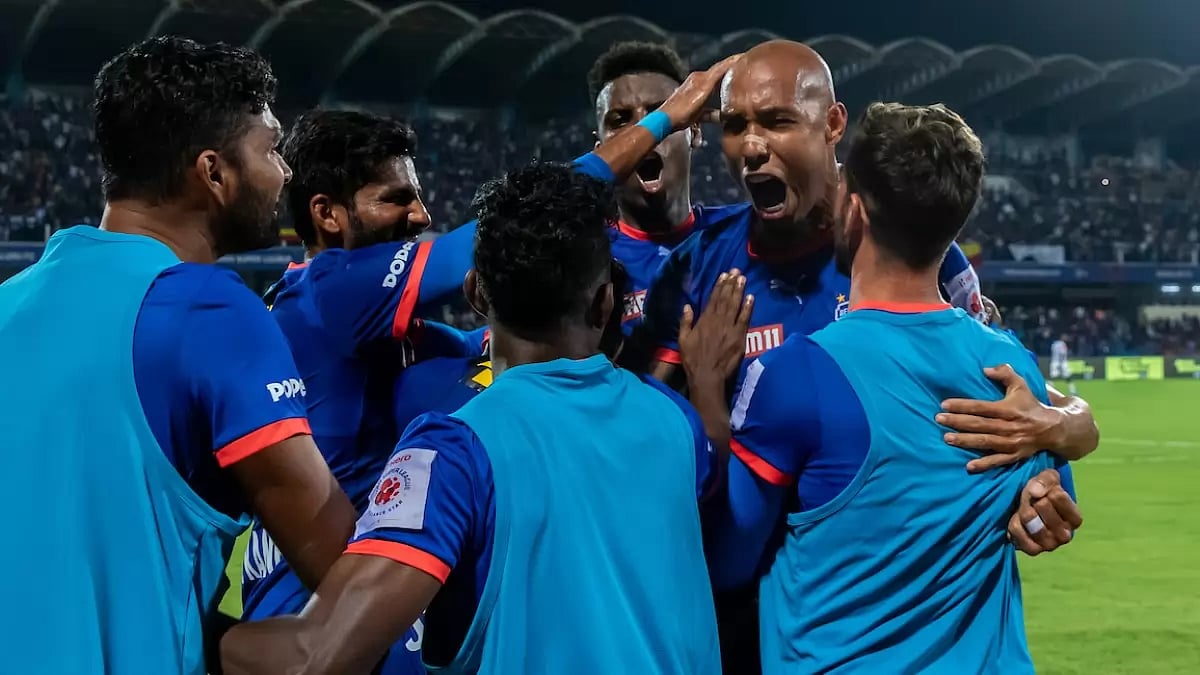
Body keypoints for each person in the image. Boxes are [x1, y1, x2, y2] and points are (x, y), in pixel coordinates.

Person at [221, 162, 722, 675]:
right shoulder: (677, 423)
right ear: (604, 300)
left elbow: (315, 659)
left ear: (475, 294)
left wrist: (219, 639)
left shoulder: (455, 450)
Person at [0, 36, 356, 674]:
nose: (287, 174)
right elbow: (343, 570)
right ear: (214, 172)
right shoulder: (207, 310)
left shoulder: (9, 301)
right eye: (272, 149)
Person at [698, 102, 1082, 673]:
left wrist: (707, 394)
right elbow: (1045, 514)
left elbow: (727, 561)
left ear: (853, 210)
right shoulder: (1012, 370)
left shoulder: (797, 374)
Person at [244, 109, 486, 674]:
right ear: (327, 213)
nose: (421, 216)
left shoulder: (356, 324)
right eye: (397, 198)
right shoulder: (332, 292)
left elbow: (481, 346)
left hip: (322, 607)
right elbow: (481, 243)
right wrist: (657, 124)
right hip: (319, 620)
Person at [588, 42, 747, 334]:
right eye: (621, 120)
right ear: (601, 151)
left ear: (694, 132)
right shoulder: (580, 259)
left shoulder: (743, 233)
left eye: (659, 112)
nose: (644, 133)